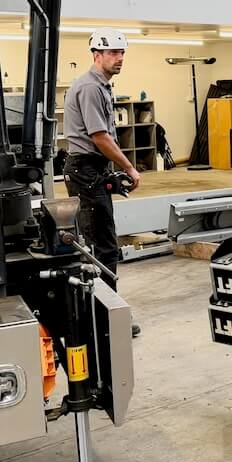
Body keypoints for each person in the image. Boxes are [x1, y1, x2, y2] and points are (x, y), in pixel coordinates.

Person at [64, 29, 142, 335]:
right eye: (113, 53)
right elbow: (99, 137)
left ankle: (102, 311)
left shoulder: (102, 86)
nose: (119, 58)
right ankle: (104, 318)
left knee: (101, 243)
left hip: (92, 170)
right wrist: (130, 168)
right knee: (102, 247)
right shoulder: (90, 88)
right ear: (96, 55)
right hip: (85, 170)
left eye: (122, 53)